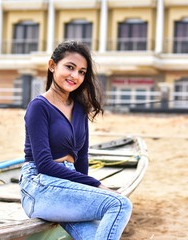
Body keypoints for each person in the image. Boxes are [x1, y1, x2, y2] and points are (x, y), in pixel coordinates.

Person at [19, 40, 132, 240]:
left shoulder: (80, 109)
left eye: (82, 72)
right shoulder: (39, 107)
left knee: (95, 235)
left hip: (68, 185)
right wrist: (96, 185)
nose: (75, 76)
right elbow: (44, 164)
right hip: (39, 186)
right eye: (69, 67)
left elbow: (82, 157)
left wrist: (86, 191)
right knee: (120, 203)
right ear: (52, 66)